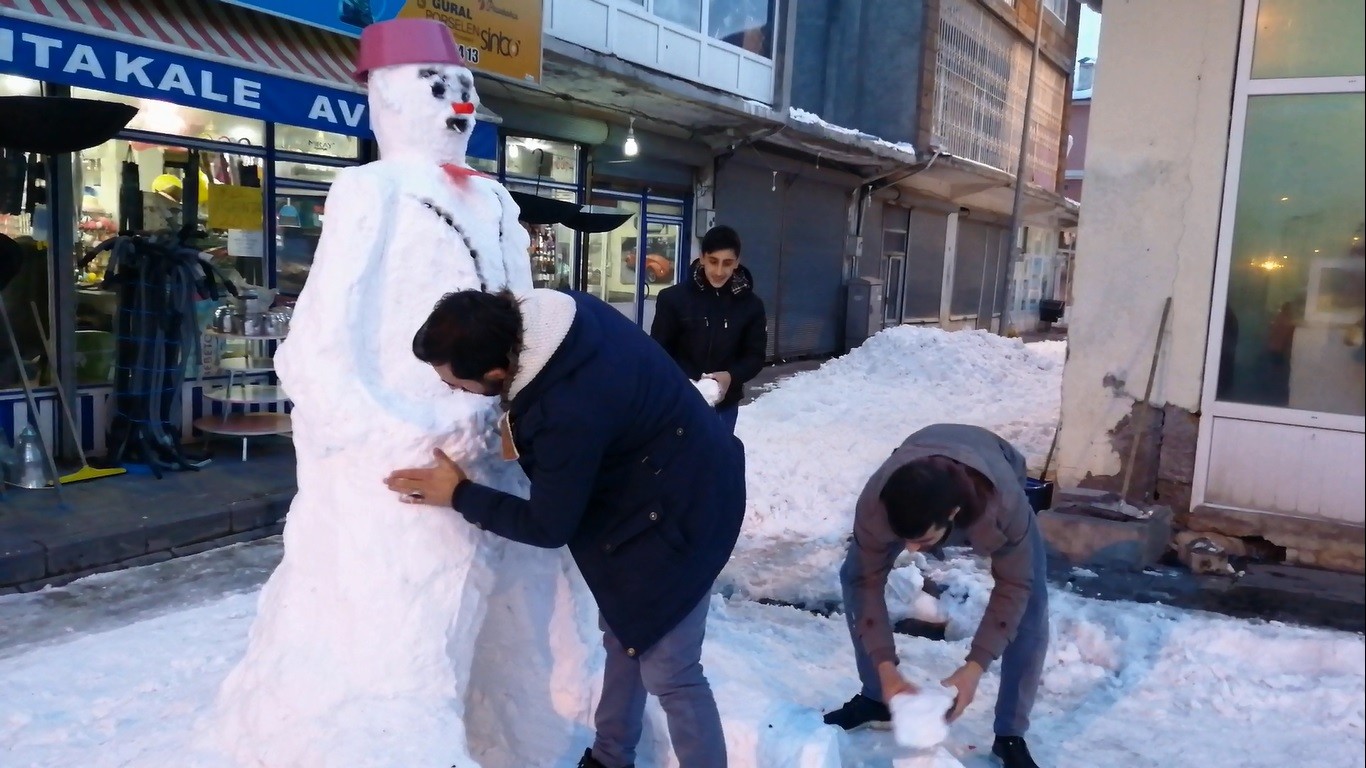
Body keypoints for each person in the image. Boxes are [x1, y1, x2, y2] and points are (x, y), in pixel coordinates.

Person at [384, 287, 746, 768]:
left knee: (671, 671)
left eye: (456, 384)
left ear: (495, 373)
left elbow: (549, 524)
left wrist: (460, 494)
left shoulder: (565, 409)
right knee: (627, 634)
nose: (454, 393)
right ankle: (610, 757)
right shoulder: (553, 319)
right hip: (660, 482)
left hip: (688, 507)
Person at [823, 424, 1048, 768]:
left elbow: (1014, 586)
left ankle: (1010, 734)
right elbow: (863, 582)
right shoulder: (876, 502)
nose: (911, 550)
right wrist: (885, 666)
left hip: (993, 466)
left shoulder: (1004, 506)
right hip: (921, 461)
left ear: (953, 516)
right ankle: (878, 696)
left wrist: (975, 667)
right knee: (853, 573)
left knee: (1029, 605)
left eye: (922, 540)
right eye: (904, 538)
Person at [650, 225, 766, 433]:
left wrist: (731, 376)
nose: (719, 271)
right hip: (681, 403)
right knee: (678, 463)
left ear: (737, 262)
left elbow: (755, 356)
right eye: (713, 261)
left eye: (727, 263)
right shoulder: (673, 299)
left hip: (725, 407)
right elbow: (659, 352)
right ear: (702, 258)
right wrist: (689, 382)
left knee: (715, 462)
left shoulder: (751, 306)